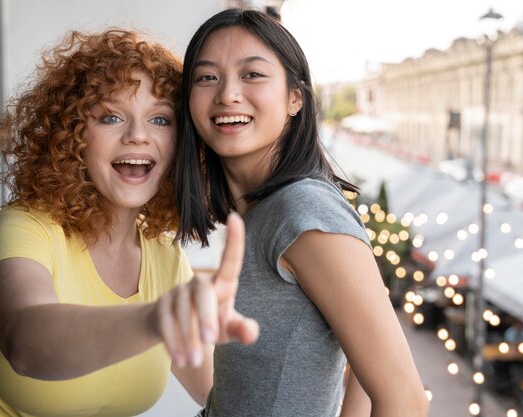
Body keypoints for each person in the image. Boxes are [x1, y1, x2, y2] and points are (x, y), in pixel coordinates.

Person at [0, 29, 259, 416]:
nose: (138, 136)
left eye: (160, 119)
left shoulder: (164, 256)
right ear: (72, 135)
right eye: (111, 117)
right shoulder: (25, 227)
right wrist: (155, 319)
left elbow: (219, 395)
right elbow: (27, 343)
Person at [174, 8, 428, 417]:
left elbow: (404, 400)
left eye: (252, 74)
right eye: (207, 77)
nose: (227, 94)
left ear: (295, 98)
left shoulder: (302, 211)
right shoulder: (262, 212)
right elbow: (362, 367)